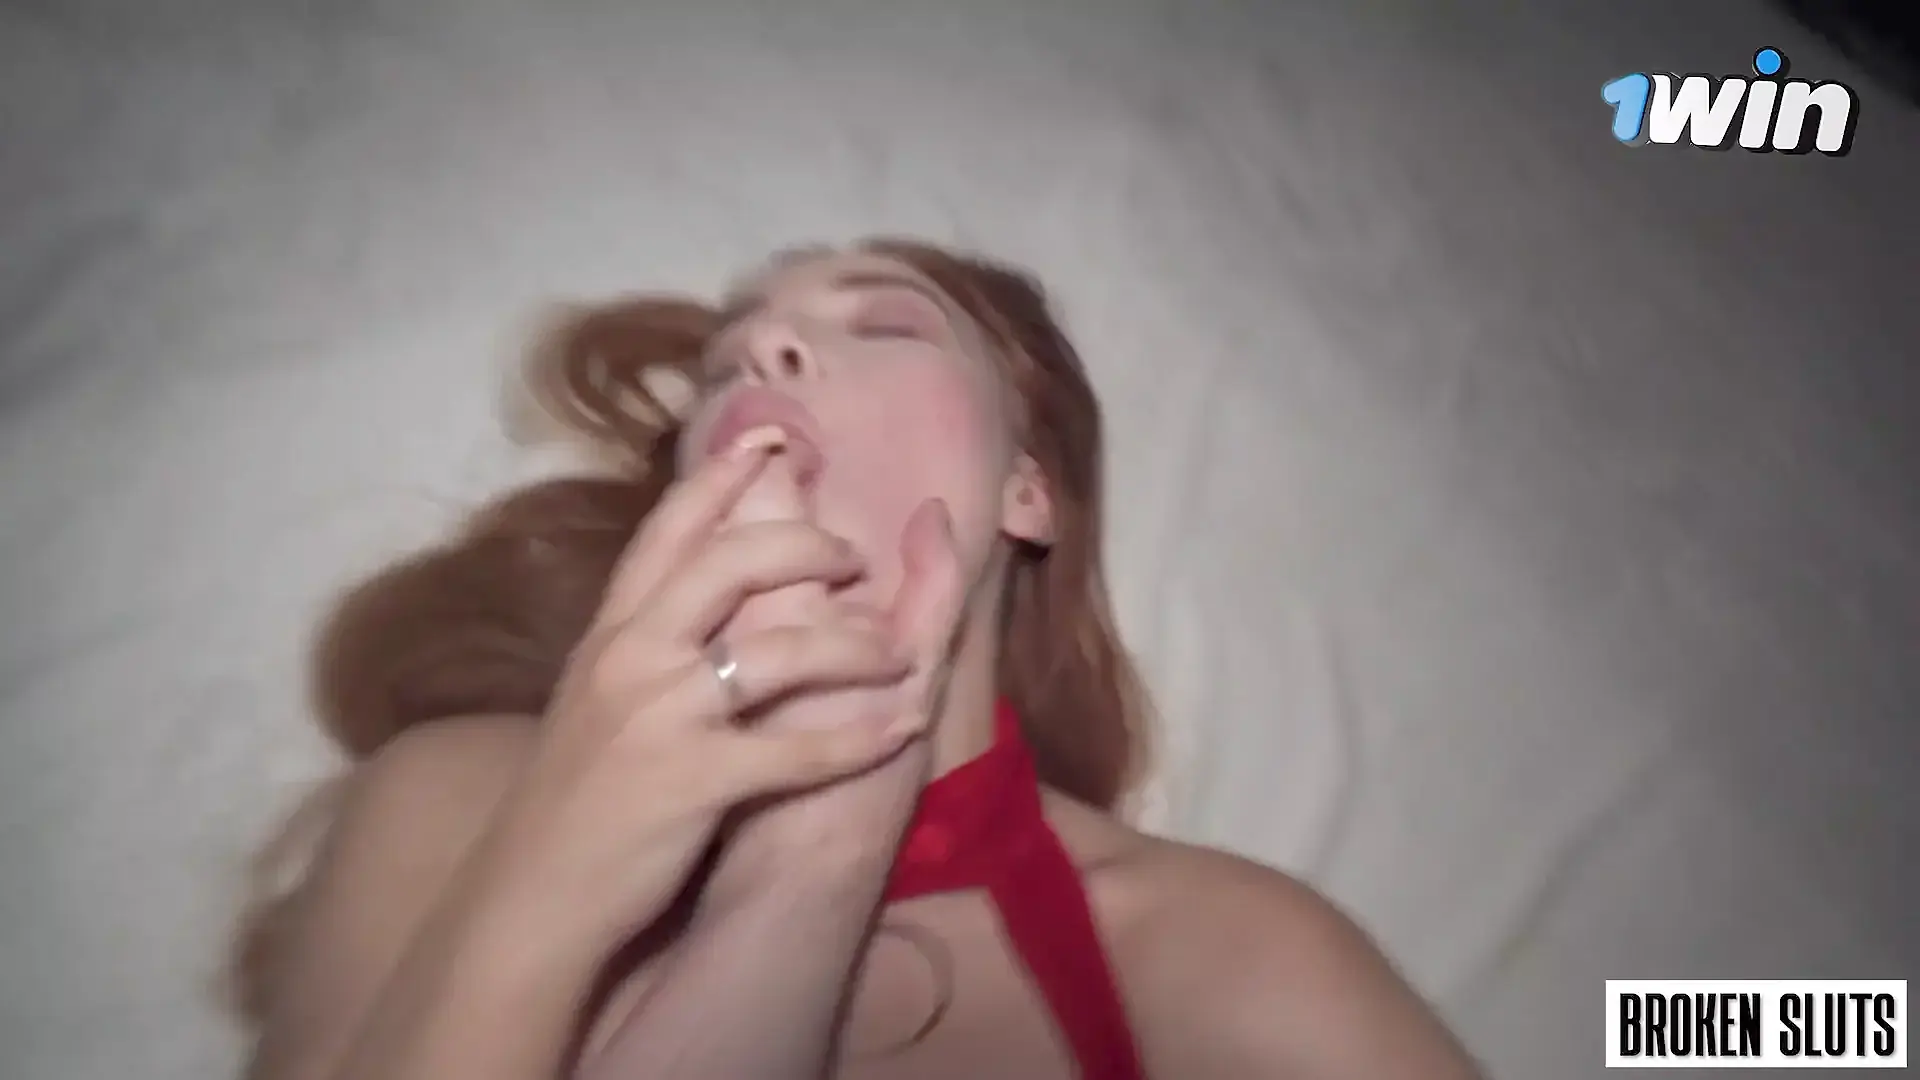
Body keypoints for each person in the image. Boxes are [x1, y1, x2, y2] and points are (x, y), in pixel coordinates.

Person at [233, 238, 1485, 1079]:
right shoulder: (459, 796)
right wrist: (606, 860)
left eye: (887, 325)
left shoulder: (1219, 952)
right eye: (725, 364)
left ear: (1028, 490)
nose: (762, 357)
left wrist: (827, 845)